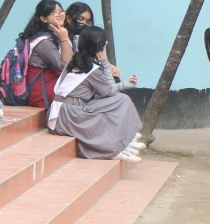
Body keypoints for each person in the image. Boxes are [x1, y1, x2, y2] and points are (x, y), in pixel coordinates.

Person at [48, 26, 143, 162]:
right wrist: (106, 64)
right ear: (102, 47)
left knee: (121, 99)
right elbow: (109, 91)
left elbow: (103, 91)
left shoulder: (75, 60)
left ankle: (126, 139)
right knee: (115, 104)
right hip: (68, 115)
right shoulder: (92, 69)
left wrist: (123, 84)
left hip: (62, 111)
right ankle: (114, 149)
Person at [63, 2, 137, 89]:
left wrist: (108, 66)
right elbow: (67, 62)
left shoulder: (87, 37)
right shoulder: (63, 38)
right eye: (81, 19)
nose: (84, 23)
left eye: (88, 21)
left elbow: (95, 56)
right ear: (68, 18)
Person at [15, 0, 73, 109]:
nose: (60, 14)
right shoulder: (43, 42)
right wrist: (64, 39)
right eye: (54, 13)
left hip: (49, 87)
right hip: (41, 93)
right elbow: (65, 67)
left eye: (61, 11)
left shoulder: (55, 35)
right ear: (44, 18)